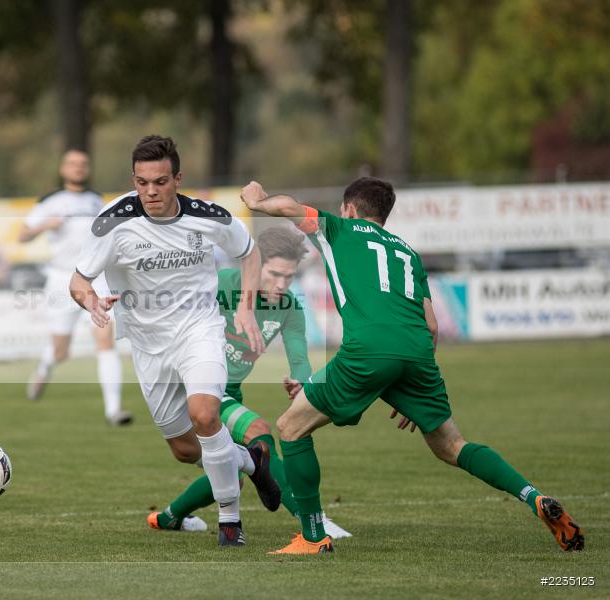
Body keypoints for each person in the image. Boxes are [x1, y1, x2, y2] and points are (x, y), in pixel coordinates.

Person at [240, 177, 585, 555]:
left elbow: (288, 206)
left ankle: (311, 537)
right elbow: (432, 325)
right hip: (418, 354)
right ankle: (533, 497)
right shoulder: (408, 252)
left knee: (290, 428)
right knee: (452, 445)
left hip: (369, 350)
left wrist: (258, 201)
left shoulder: (339, 228)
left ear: (351, 209)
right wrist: (409, 384)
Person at [70, 135, 280, 547]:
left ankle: (230, 523)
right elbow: (79, 281)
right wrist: (91, 302)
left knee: (205, 414)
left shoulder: (208, 216)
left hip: (199, 330)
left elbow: (250, 252)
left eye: (161, 182)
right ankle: (250, 461)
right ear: (133, 179)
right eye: (143, 182)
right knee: (185, 450)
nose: (151, 191)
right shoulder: (111, 221)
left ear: (177, 179)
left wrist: (246, 307)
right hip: (148, 345)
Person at [146, 226, 351, 539]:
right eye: (274, 274)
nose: (282, 285)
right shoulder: (219, 287)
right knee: (259, 432)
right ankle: (313, 520)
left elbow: (299, 359)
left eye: (289, 277)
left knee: (232, 474)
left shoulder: (289, 309)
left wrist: (300, 380)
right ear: (254, 264)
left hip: (229, 393)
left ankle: (168, 518)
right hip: (192, 389)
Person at [20, 149, 132, 426]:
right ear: (63, 168)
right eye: (73, 164)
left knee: (105, 338)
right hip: (61, 279)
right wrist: (45, 225)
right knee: (61, 351)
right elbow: (22, 235)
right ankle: (45, 367)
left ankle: (113, 410)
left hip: (95, 278)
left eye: (83, 164)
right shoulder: (50, 201)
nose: (78, 168)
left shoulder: (97, 201)